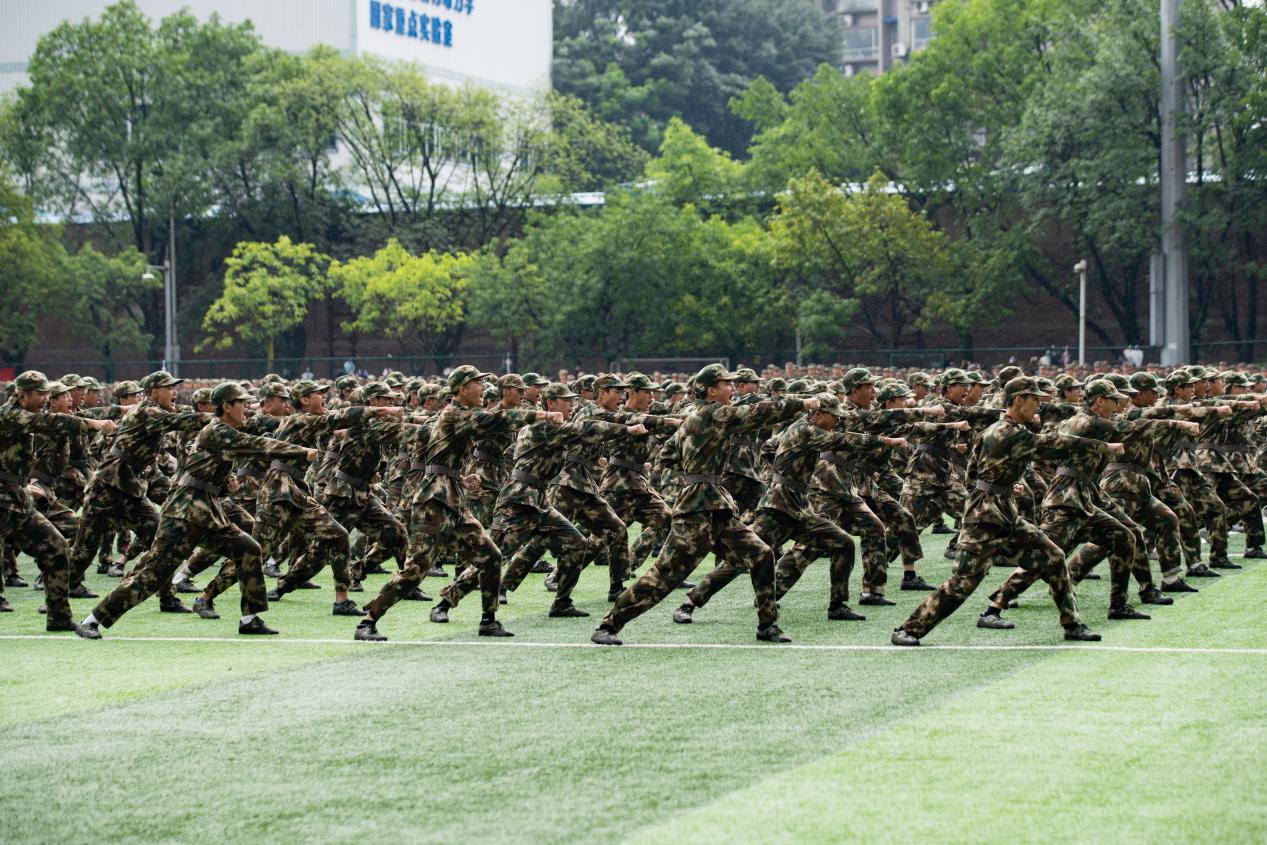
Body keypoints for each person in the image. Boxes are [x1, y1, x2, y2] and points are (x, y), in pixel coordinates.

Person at [592, 364, 813, 646]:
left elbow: (668, 455)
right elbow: (759, 412)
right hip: (697, 508)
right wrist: (805, 403)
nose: (732, 389)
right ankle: (609, 625)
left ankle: (767, 625)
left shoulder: (693, 417)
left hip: (715, 505)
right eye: (726, 384)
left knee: (761, 554)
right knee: (666, 574)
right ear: (711, 390)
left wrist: (697, 467)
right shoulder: (711, 412)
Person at [76, 383, 318, 639]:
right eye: (242, 403)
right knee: (152, 575)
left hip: (207, 511)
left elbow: (207, 466)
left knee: (249, 548)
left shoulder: (222, 430)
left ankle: (250, 618)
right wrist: (302, 452)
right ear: (227, 407)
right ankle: (92, 620)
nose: (247, 408)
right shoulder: (218, 430)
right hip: (184, 513)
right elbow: (257, 444)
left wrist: (224, 483)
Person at [892, 377, 1114, 646]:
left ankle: (1072, 625)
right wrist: (1102, 446)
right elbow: (1052, 445)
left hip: (1003, 513)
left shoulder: (995, 430)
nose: (1039, 405)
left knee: (1053, 556)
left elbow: (973, 472)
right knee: (963, 581)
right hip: (985, 518)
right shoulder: (1010, 433)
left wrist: (1002, 486)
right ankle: (908, 630)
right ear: (1018, 400)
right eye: (1035, 399)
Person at [0, 371, 116, 623]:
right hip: (3, 500)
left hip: (17, 500)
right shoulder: (10, 415)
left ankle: (59, 617)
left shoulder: (27, 416)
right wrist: (94, 425)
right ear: (22, 394)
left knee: (57, 547)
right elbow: (50, 422)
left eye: (47, 393)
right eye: (40, 394)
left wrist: (25, 485)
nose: (45, 398)